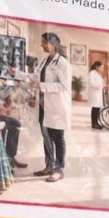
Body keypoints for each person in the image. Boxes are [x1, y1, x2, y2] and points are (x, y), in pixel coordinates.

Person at [27, 33, 70, 182]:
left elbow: (64, 86)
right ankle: (49, 166)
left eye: (44, 42)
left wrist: (41, 85)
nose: (41, 45)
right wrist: (17, 73)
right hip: (43, 106)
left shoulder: (63, 63)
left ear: (53, 44)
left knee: (58, 138)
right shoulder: (45, 60)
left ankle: (59, 169)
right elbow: (34, 76)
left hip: (56, 107)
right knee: (46, 137)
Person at [87, 60, 105, 129]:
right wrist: (101, 85)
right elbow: (92, 84)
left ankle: (96, 123)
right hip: (94, 94)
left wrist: (102, 85)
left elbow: (101, 83)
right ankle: (94, 124)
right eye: (101, 67)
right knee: (95, 109)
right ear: (97, 67)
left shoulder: (98, 74)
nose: (102, 69)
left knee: (97, 109)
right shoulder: (92, 73)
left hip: (98, 94)